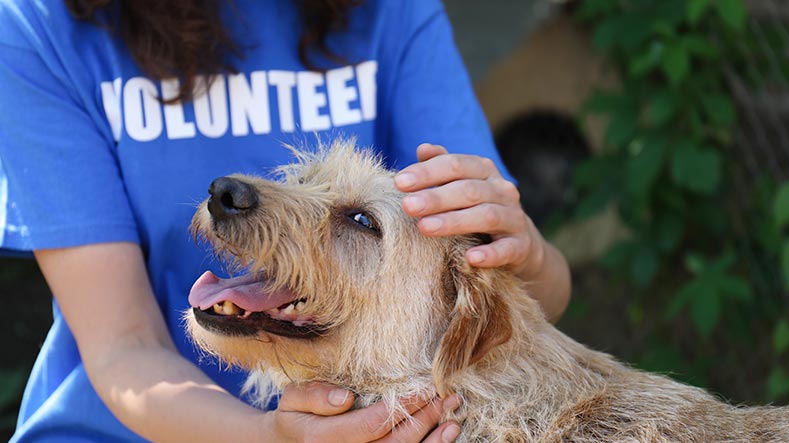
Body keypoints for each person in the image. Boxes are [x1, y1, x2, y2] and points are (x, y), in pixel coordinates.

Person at [0, 0, 572, 442]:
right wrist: (265, 434)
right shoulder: (39, 26)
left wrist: (530, 254)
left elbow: (512, 298)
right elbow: (123, 344)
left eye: (357, 219)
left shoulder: (389, 10)